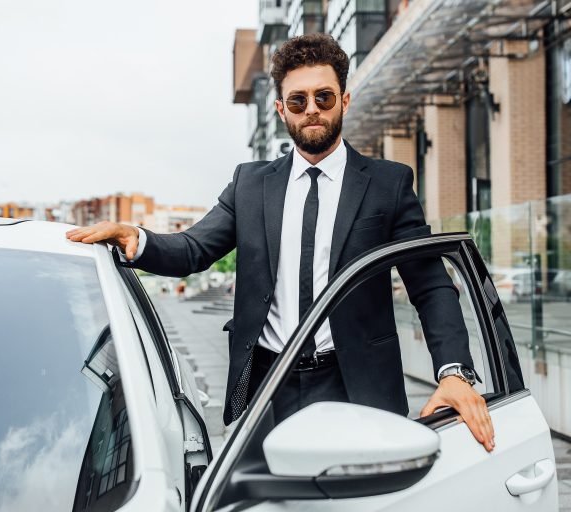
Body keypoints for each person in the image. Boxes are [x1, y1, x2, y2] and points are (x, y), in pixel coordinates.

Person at [67, 34, 495, 452]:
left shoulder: (388, 184)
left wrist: (454, 372)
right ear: (280, 110)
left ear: (345, 101)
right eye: (298, 100)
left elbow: (430, 285)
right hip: (267, 386)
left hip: (357, 385)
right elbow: (193, 249)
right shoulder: (250, 185)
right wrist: (134, 237)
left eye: (324, 97)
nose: (312, 110)